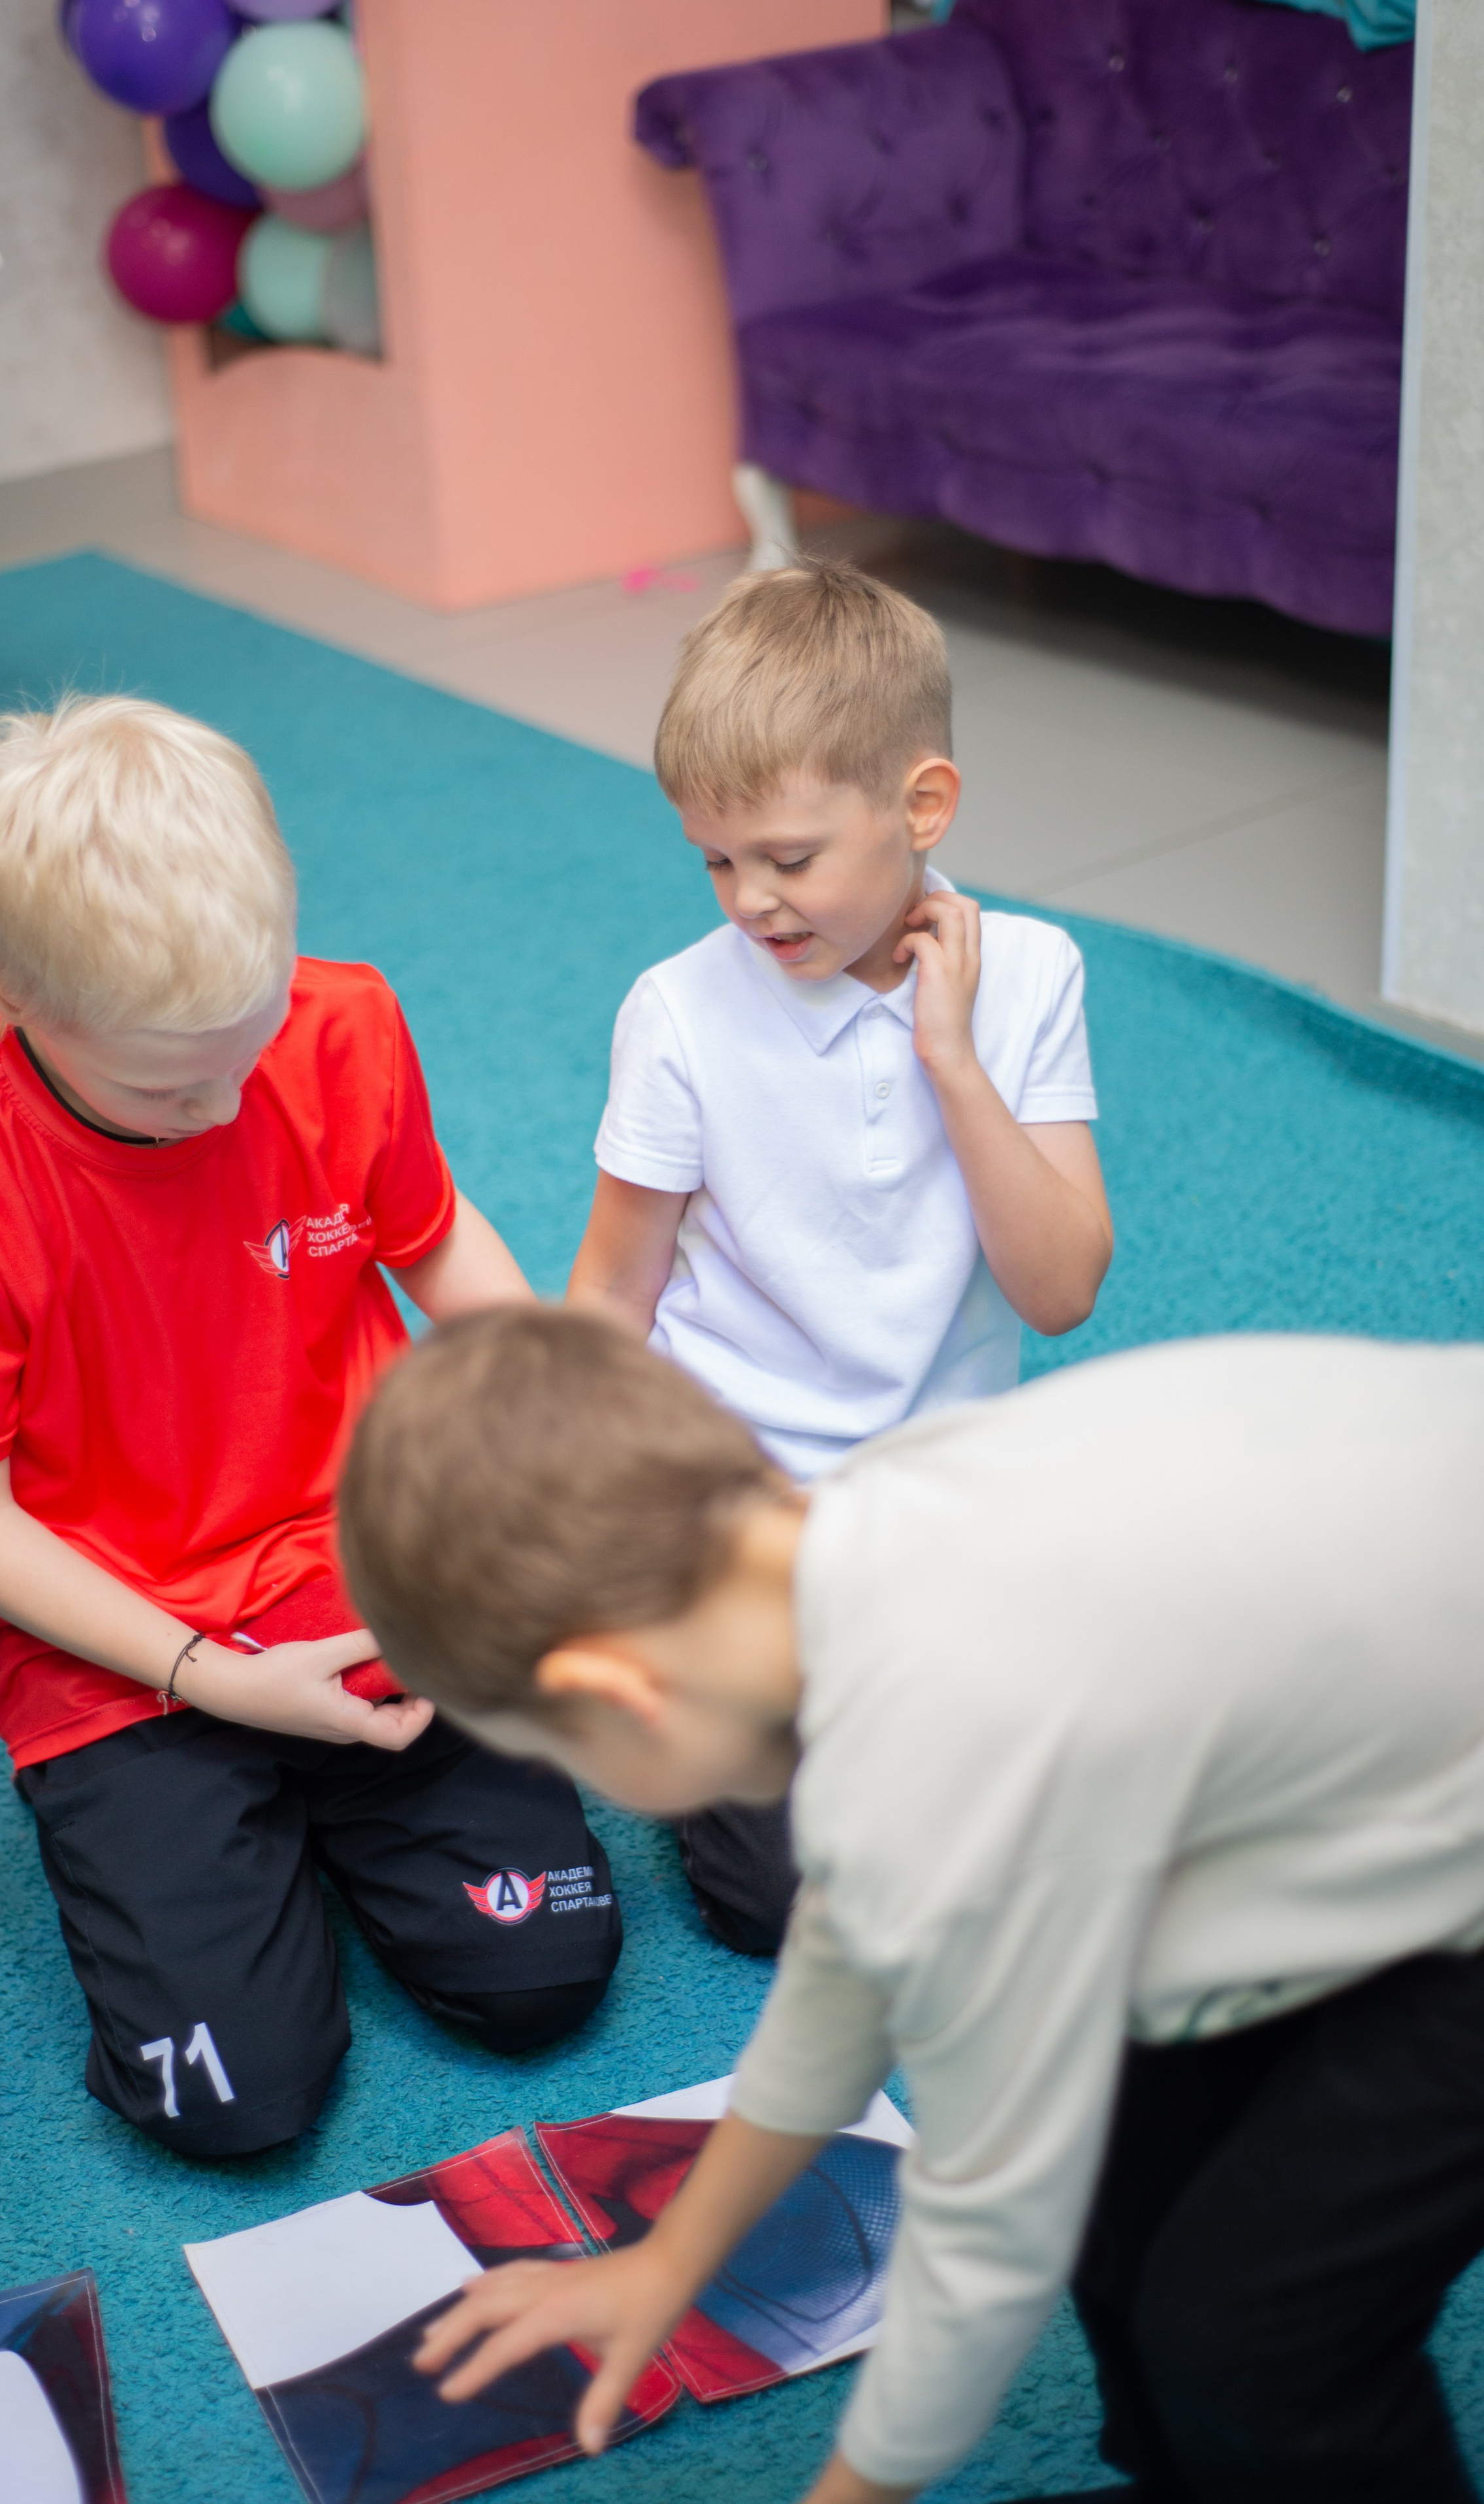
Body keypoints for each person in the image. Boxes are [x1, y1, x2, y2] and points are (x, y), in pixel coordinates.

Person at [338, 1306, 1484, 2504]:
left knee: (1258, 2344)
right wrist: (672, 2258)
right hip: (1397, 1678)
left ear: (618, 1697)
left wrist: (857, 2492)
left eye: (564, 1758)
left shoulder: (951, 1760)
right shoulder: (857, 1526)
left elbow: (991, 2228)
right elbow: (855, 1941)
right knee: (1130, 2189)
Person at [0, 698, 622, 2158]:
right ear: (1, 987)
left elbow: (434, 1236)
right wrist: (212, 1678)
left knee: (542, 1971)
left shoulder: (344, 1022)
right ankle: (218, 1823)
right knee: (233, 2102)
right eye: (162, 1080)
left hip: (365, 1576)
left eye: (247, 1048)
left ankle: (312, 1810)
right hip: (128, 1652)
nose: (217, 1109)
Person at [567, 560, 1111, 1956]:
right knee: (785, 1902)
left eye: (790, 859)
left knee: (1055, 1815)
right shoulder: (679, 1012)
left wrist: (952, 1059)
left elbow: (1059, 1290)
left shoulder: (1032, 975)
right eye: (715, 861)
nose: (750, 902)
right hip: (737, 1507)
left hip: (941, 1503)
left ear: (922, 808)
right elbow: (615, 1287)